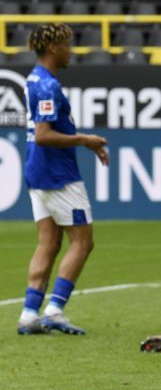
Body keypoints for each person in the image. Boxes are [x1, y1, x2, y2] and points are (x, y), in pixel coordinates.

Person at [17, 24, 109, 336]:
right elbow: (43, 135)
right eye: (67, 45)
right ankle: (54, 309)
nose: (71, 51)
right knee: (82, 242)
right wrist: (85, 139)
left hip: (37, 171)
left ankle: (30, 314)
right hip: (58, 175)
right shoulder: (47, 87)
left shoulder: (35, 78)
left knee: (49, 242)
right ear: (54, 47)